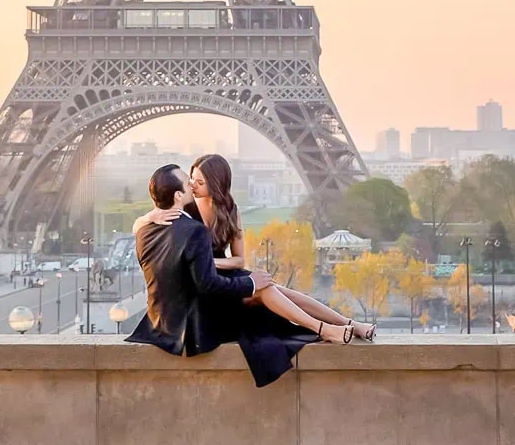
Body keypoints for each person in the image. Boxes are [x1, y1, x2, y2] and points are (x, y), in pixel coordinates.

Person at [129, 162, 361, 387]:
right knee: (264, 287)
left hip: (162, 321)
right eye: (188, 181)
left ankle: (338, 325)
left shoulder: (144, 231)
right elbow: (207, 285)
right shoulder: (194, 230)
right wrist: (250, 284)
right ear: (178, 195)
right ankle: (325, 328)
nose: (192, 184)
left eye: (197, 181)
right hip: (195, 318)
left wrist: (149, 218)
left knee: (268, 287)